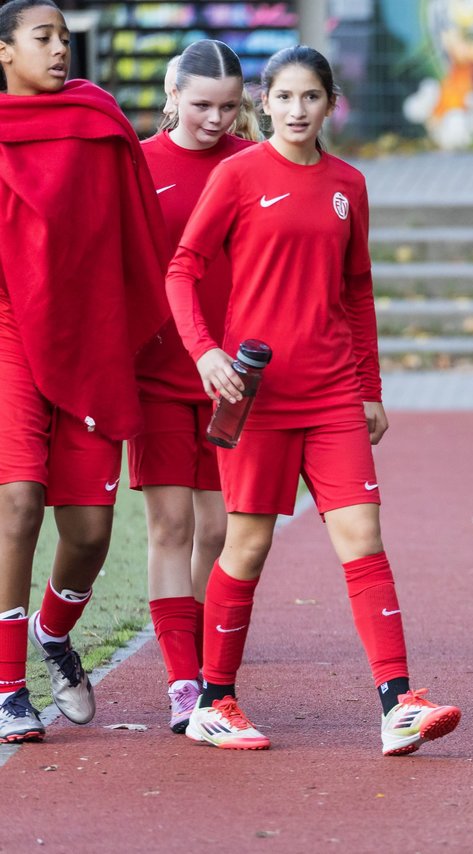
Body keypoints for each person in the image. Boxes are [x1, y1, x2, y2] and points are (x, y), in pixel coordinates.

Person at [165, 45, 461, 755]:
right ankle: (215, 699)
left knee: (364, 539)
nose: (298, 110)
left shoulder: (348, 184)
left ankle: (397, 703)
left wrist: (371, 389)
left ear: (331, 104)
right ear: (264, 103)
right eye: (285, 97)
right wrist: (206, 352)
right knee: (249, 544)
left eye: (312, 98)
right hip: (259, 397)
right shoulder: (237, 175)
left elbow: (358, 290)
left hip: (333, 394)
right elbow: (183, 269)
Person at [0, 0, 170, 744]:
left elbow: (136, 231)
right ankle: (8, 690)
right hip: (9, 331)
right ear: (5, 51)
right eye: (44, 38)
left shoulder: (98, 119)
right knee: (18, 502)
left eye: (67, 38)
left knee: (92, 529)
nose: (61, 49)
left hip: (91, 335)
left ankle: (54, 631)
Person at [133, 39, 256, 735]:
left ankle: (211, 663)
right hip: (155, 373)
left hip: (235, 379)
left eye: (230, 107)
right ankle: (187, 684)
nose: (215, 120)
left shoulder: (252, 163)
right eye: (203, 105)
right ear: (172, 95)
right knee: (170, 525)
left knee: (219, 529)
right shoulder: (139, 165)